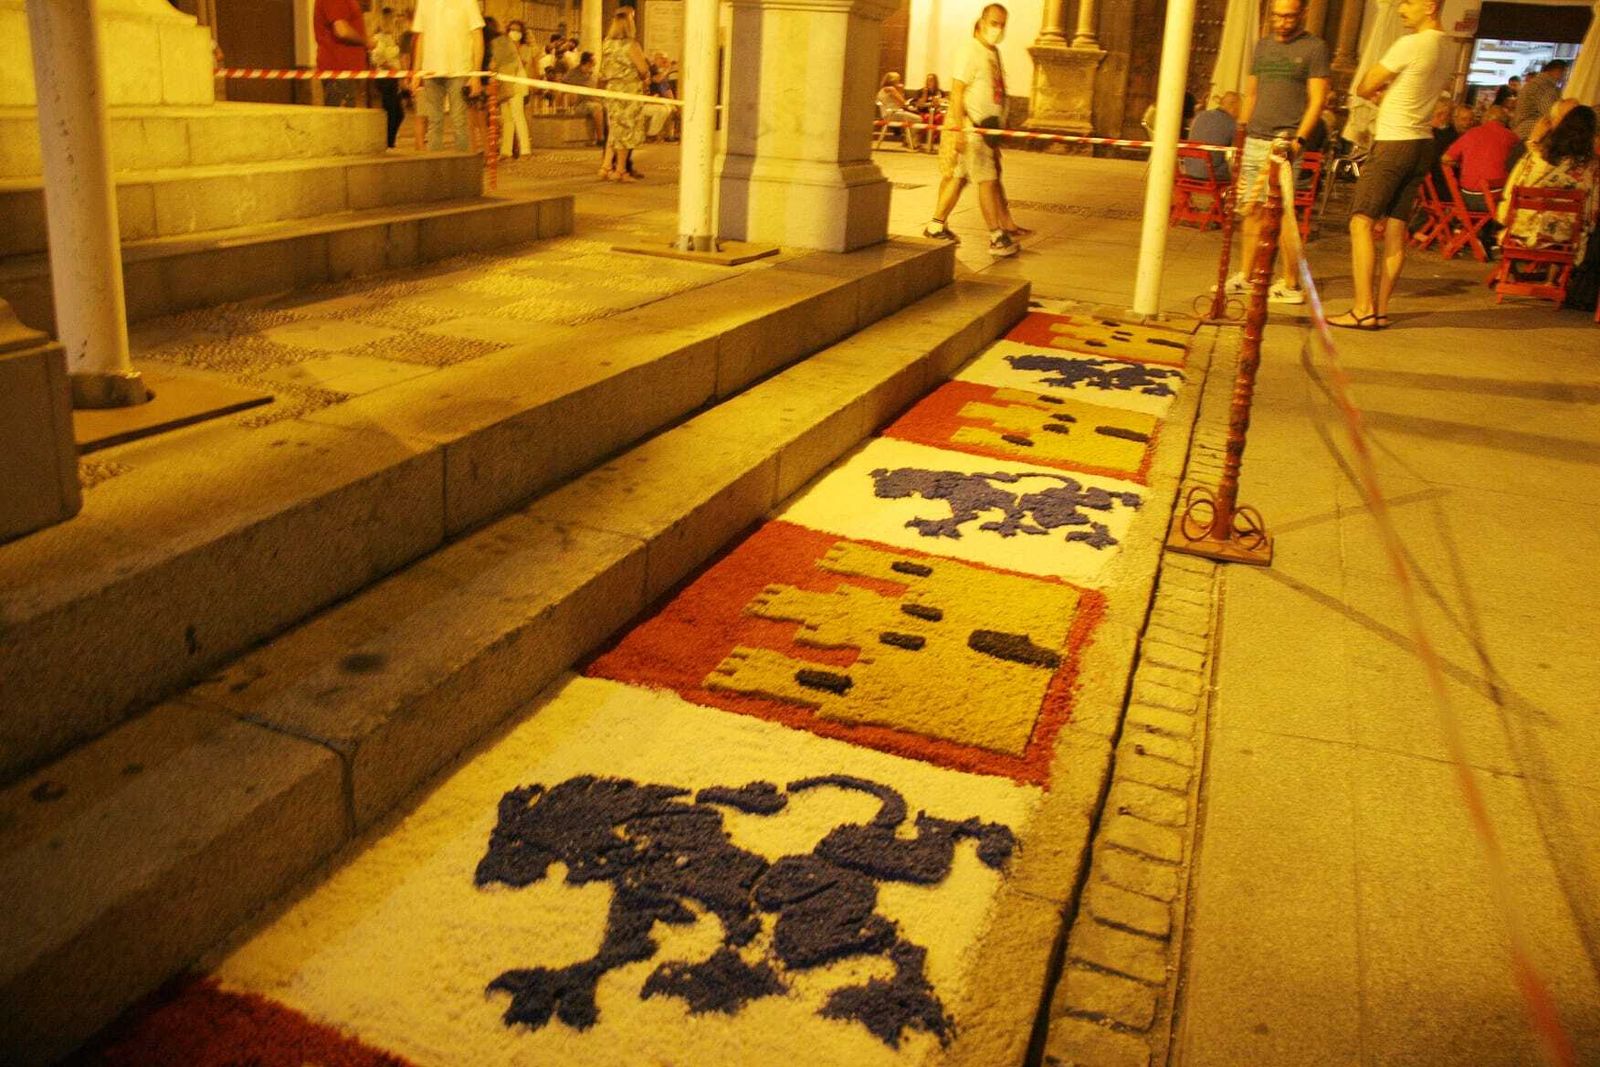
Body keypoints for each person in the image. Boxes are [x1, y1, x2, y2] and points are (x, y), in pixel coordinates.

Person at [1330, 0, 1453, 330]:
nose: (1400, 8)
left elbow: (1365, 85)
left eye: (1408, 2)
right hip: (1422, 141)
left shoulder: (1411, 43)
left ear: (1430, 6)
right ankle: (1380, 310)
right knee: (1396, 228)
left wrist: (1380, 90)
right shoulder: (1448, 46)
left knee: (1361, 221)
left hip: (1395, 141)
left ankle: (1362, 308)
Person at [1215, 0, 1329, 305]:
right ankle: (1247, 275)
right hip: (1255, 138)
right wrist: (1241, 132)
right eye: (1277, 16)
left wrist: (1299, 141)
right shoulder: (1263, 46)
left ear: (1303, 14)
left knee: (1282, 215)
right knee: (1251, 208)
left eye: (1289, 17)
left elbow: (1318, 100)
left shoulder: (1314, 48)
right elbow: (1251, 93)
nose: (1282, 22)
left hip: (1284, 141)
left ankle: (1291, 284)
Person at [922, 4, 1026, 257]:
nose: (998, 29)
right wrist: (959, 129)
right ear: (982, 21)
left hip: (987, 130)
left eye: (1002, 24)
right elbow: (958, 91)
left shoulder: (993, 52)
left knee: (959, 178)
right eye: (994, 23)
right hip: (973, 128)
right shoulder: (969, 50)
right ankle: (996, 236)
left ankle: (935, 226)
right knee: (987, 180)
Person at [1497, 105, 1599, 264]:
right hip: (1565, 237)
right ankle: (1558, 274)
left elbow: (1512, 188)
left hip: (1522, 231)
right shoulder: (1591, 168)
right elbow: (1591, 214)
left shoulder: (1536, 158)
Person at [410, 0, 483, 151]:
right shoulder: (424, 2)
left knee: (459, 121)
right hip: (431, 70)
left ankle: (462, 162)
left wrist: (476, 74)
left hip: (459, 70)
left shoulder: (468, 2)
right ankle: (435, 162)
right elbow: (421, 38)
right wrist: (416, 72)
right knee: (434, 122)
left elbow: (477, 37)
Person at [598, 7, 649, 182]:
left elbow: (603, 70)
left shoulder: (607, 44)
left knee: (614, 129)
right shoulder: (631, 45)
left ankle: (606, 166)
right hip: (628, 91)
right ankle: (621, 170)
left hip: (612, 89)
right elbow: (643, 69)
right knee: (626, 132)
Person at [1441, 104, 1519, 212]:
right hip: (1494, 200)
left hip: (1466, 198)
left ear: (1484, 119)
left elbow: (1445, 159)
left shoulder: (1470, 133)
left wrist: (1463, 164)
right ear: (1506, 122)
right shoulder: (1511, 137)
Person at [491, 18, 533, 158]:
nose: (515, 33)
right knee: (507, 118)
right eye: (512, 30)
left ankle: (525, 149)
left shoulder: (524, 48)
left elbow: (522, 64)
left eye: (518, 30)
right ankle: (506, 150)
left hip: (517, 84)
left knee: (518, 115)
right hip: (505, 84)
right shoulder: (503, 45)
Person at [314, 0, 368, 108]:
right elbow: (342, 31)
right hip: (340, 69)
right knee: (342, 116)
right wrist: (366, 41)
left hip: (346, 70)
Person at [369, 8, 406, 146]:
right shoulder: (378, 38)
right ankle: (387, 142)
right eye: (392, 20)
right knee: (392, 112)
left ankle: (390, 140)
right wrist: (393, 69)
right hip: (385, 79)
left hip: (394, 78)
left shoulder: (392, 38)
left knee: (398, 113)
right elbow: (377, 59)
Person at [1185, 90, 1240, 182]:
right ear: (1234, 106)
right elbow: (1238, 147)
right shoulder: (1231, 124)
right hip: (1211, 174)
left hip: (1189, 169)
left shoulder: (1200, 115)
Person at [1512, 60, 1567, 140]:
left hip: (1522, 131)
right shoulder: (1546, 87)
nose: (1565, 77)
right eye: (1565, 73)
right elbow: (1551, 113)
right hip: (1532, 132)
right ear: (1558, 71)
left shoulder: (1533, 84)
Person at [564, 52, 604, 146]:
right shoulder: (573, 73)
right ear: (587, 62)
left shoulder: (593, 74)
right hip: (581, 103)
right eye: (593, 61)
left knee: (607, 106)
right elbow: (562, 85)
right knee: (597, 107)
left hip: (594, 100)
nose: (595, 64)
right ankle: (600, 138)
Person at [878, 72, 925, 149]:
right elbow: (903, 102)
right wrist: (901, 90)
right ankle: (911, 142)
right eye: (898, 80)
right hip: (893, 114)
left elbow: (898, 104)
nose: (899, 82)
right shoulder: (892, 89)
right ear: (893, 80)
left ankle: (908, 140)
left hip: (886, 114)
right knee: (918, 119)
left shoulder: (882, 90)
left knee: (911, 118)